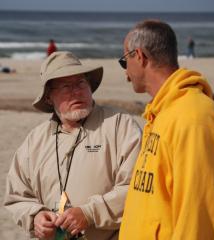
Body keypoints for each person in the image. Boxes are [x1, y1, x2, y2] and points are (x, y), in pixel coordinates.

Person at [4, 51, 142, 240]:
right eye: (66, 86)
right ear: (48, 98)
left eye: (80, 83)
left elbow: (138, 187)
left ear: (90, 87)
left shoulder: (120, 124)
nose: (76, 91)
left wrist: (90, 213)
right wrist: (35, 216)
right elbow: (17, 197)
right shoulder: (34, 141)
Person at [118, 20, 214, 239]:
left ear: (140, 56)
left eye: (124, 61)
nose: (125, 74)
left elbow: (199, 220)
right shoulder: (164, 112)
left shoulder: (193, 118)